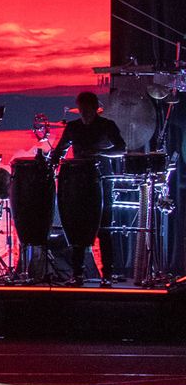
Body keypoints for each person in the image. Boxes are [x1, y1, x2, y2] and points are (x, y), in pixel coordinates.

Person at [49, 91, 126, 283]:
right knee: (77, 229)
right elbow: (60, 150)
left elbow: (121, 149)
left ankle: (107, 273)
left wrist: (99, 152)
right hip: (78, 185)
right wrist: (50, 162)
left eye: (86, 110)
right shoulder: (74, 127)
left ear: (94, 108)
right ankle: (77, 274)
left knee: (104, 228)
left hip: (102, 182)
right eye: (81, 110)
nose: (84, 113)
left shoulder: (107, 125)